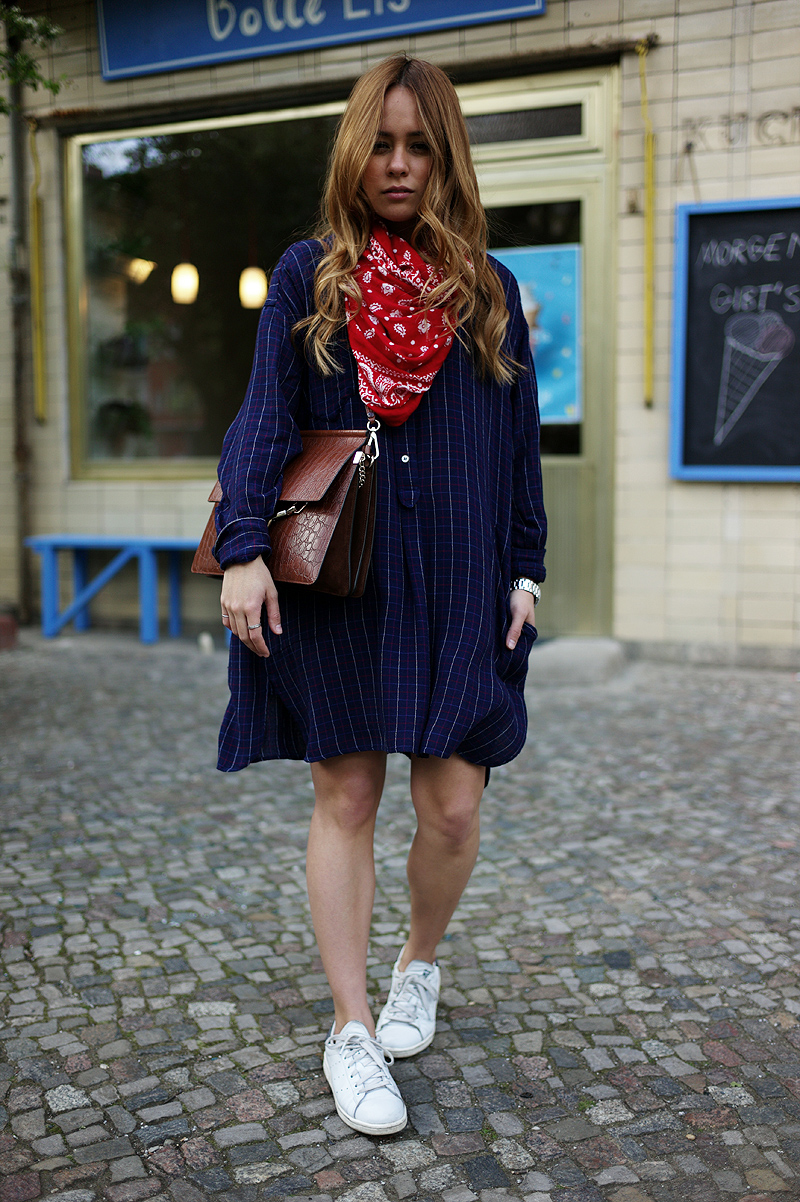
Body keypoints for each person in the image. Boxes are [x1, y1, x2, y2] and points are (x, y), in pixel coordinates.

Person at [214, 54, 546, 1137]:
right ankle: (350, 1027)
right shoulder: (311, 273)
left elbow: (515, 451)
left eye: (418, 145)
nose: (397, 164)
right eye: (381, 142)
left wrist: (526, 567)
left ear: (443, 157)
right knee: (345, 796)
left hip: (456, 582)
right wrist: (241, 547)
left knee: (451, 803)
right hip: (345, 583)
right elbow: (265, 414)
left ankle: (418, 962)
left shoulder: (487, 295)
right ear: (355, 150)